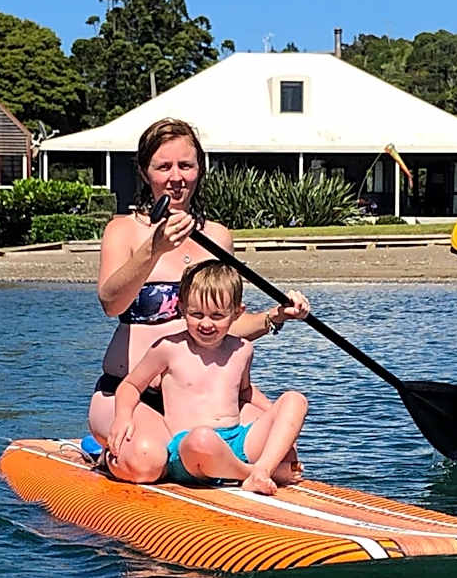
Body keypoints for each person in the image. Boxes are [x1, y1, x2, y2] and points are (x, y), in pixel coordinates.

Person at [88, 117, 310, 484]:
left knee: (284, 450)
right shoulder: (123, 230)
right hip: (132, 395)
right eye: (163, 166)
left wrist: (276, 316)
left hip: (203, 402)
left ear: (199, 170)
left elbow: (226, 324)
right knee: (146, 462)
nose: (176, 177)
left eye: (185, 166)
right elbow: (110, 302)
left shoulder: (218, 237)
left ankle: (246, 471)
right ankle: (108, 454)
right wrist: (153, 250)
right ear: (146, 173)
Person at [108, 260, 307, 494]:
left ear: (236, 313)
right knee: (203, 439)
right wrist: (123, 417)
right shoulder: (168, 348)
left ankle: (260, 469)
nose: (206, 323)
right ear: (181, 309)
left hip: (237, 442)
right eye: (196, 314)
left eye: (217, 316)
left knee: (295, 399)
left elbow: (244, 393)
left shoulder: (242, 349)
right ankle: (259, 473)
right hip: (190, 450)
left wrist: (277, 420)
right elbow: (131, 385)